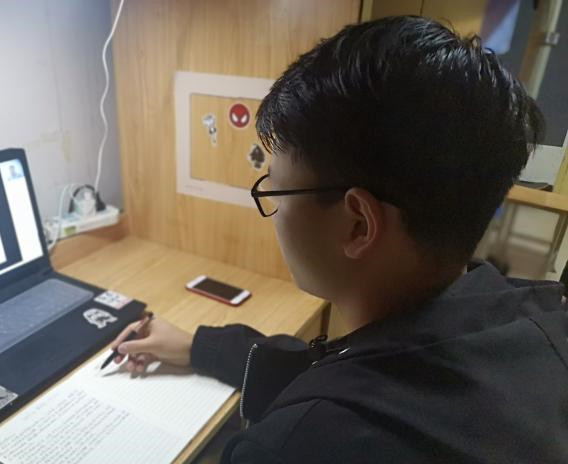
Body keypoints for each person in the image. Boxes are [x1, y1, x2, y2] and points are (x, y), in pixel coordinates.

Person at [111, 16, 568, 463]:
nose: (271, 211)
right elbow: (353, 367)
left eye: (274, 190)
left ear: (358, 225)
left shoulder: (300, 445)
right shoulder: (528, 320)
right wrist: (200, 348)